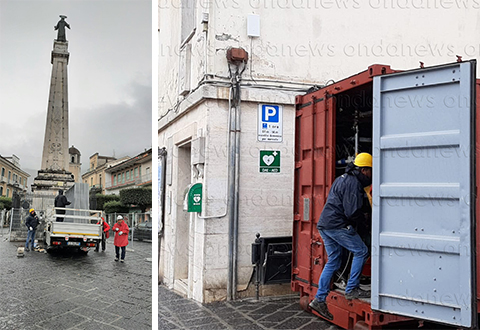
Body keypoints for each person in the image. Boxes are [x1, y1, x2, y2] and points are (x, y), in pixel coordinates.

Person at [309, 153, 372, 320]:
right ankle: (352, 288)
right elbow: (352, 212)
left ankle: (319, 299)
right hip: (337, 225)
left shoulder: (342, 178)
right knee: (362, 251)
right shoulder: (353, 183)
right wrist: (364, 222)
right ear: (364, 170)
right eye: (371, 172)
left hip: (325, 224)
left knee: (334, 260)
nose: (372, 176)